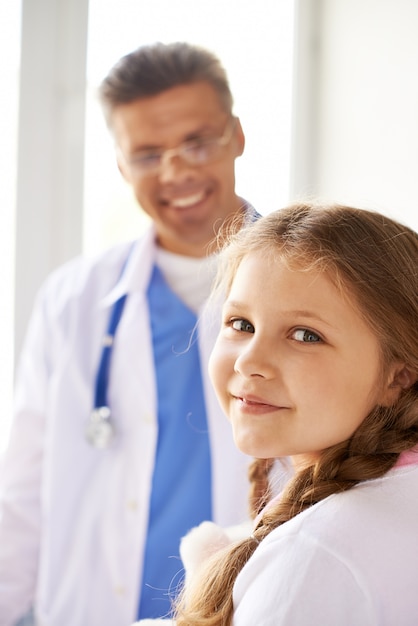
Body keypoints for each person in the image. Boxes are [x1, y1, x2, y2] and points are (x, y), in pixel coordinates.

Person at [0, 42, 253, 626]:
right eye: (147, 154)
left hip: (253, 607)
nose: (176, 172)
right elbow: (23, 496)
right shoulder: (74, 300)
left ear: (237, 135)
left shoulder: (315, 287)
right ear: (120, 164)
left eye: (198, 141)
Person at [165, 203, 418, 625]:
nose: (250, 361)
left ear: (398, 377)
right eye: (241, 324)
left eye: (305, 335)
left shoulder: (315, 557)